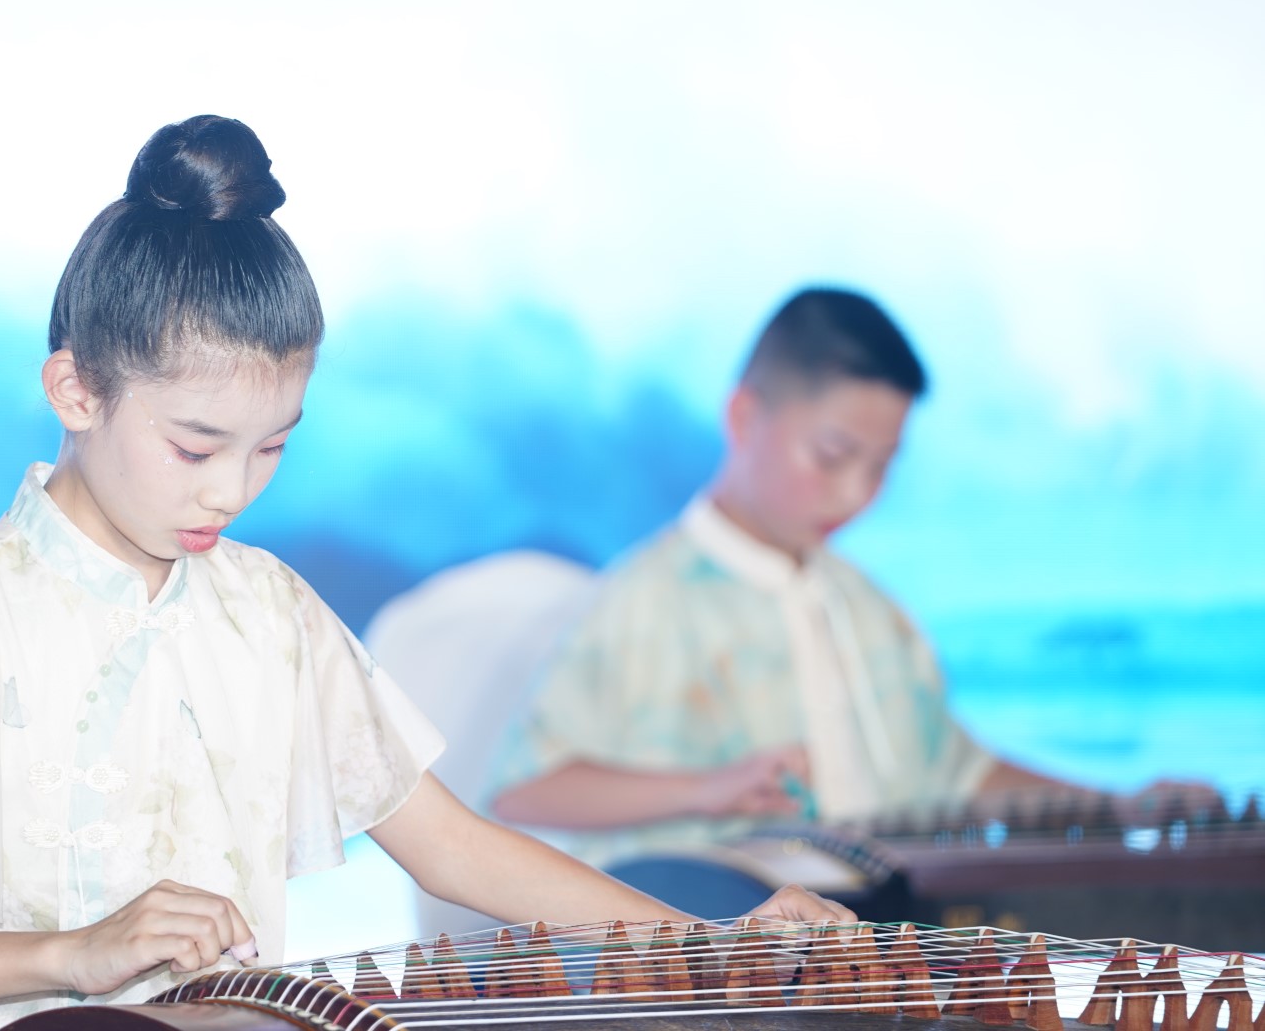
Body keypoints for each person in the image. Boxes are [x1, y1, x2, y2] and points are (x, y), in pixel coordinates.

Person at [0, 118, 849, 1030]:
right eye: (195, 447)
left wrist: (712, 944)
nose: (232, 492)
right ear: (76, 391)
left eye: (271, 447)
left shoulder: (265, 610)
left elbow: (452, 849)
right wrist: (72, 954)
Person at [488, 287, 1202, 871]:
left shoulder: (869, 608)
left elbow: (956, 776)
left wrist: (1117, 808)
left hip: (875, 941)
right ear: (743, 417)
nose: (857, 493)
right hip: (719, 957)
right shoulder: (648, 599)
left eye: (882, 465)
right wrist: (706, 789)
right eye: (832, 456)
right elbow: (525, 791)